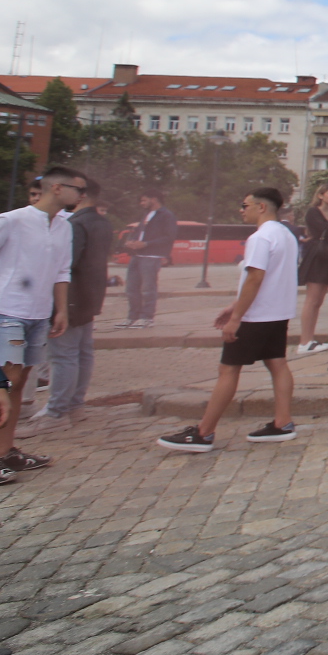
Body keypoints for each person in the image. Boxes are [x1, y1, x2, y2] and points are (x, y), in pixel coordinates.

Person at [156, 187, 300, 451]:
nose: (241, 210)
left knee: (228, 370)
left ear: (262, 207)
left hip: (256, 316)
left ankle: (204, 432)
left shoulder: (261, 237)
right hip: (278, 313)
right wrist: (234, 305)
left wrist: (236, 317)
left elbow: (256, 277)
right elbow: (266, 279)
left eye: (245, 205)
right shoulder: (286, 235)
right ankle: (283, 422)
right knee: (278, 364)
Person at [0, 166, 78, 475]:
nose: (81, 195)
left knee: (18, 385)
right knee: (4, 382)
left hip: (39, 315)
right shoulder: (12, 220)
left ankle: (4, 450)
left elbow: (62, 271)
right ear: (57, 188)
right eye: (77, 190)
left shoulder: (64, 227)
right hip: (7, 313)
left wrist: (61, 310)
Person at [23, 177, 110, 435]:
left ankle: (57, 411)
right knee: (82, 352)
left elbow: (65, 264)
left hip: (70, 298)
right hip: (89, 297)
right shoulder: (101, 222)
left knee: (63, 356)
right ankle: (74, 405)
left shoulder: (75, 224)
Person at [119, 189, 176, 329]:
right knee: (131, 288)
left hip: (151, 256)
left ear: (154, 199)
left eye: (144, 200)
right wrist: (131, 241)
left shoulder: (167, 215)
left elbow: (169, 237)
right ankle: (133, 317)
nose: (141, 203)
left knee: (148, 288)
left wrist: (146, 244)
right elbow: (139, 232)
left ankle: (147, 317)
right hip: (137, 255)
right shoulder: (146, 214)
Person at [294, 184, 328, 353]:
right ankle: (304, 341)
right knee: (312, 300)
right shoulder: (313, 212)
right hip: (317, 256)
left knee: (319, 301)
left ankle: (310, 339)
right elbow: (326, 234)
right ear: (321, 196)